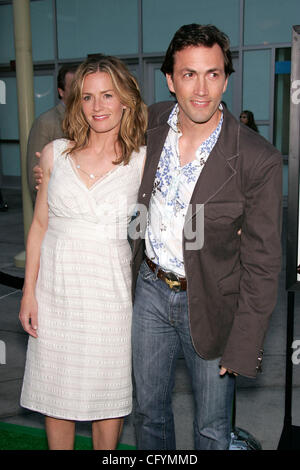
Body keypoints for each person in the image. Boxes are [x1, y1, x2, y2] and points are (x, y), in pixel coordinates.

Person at [131, 24, 282, 450]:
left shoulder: (257, 159)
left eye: (213, 74)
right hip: (150, 290)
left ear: (227, 78)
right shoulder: (151, 123)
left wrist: (243, 343)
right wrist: (52, 166)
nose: (201, 89)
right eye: (189, 74)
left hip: (215, 303)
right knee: (148, 414)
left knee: (212, 429)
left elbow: (263, 262)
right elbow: (101, 139)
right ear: (169, 79)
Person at [19, 55, 147, 450]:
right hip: (55, 292)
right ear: (77, 102)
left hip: (109, 294)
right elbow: (39, 225)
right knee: (55, 393)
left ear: (124, 100)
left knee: (108, 395)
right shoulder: (55, 154)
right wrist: (28, 292)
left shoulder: (141, 160)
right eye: (88, 97)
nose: (98, 107)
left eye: (108, 95)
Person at [26, 64, 78, 203]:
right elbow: (35, 180)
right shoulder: (45, 122)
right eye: (74, 86)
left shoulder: (93, 119)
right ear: (61, 92)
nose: (80, 90)